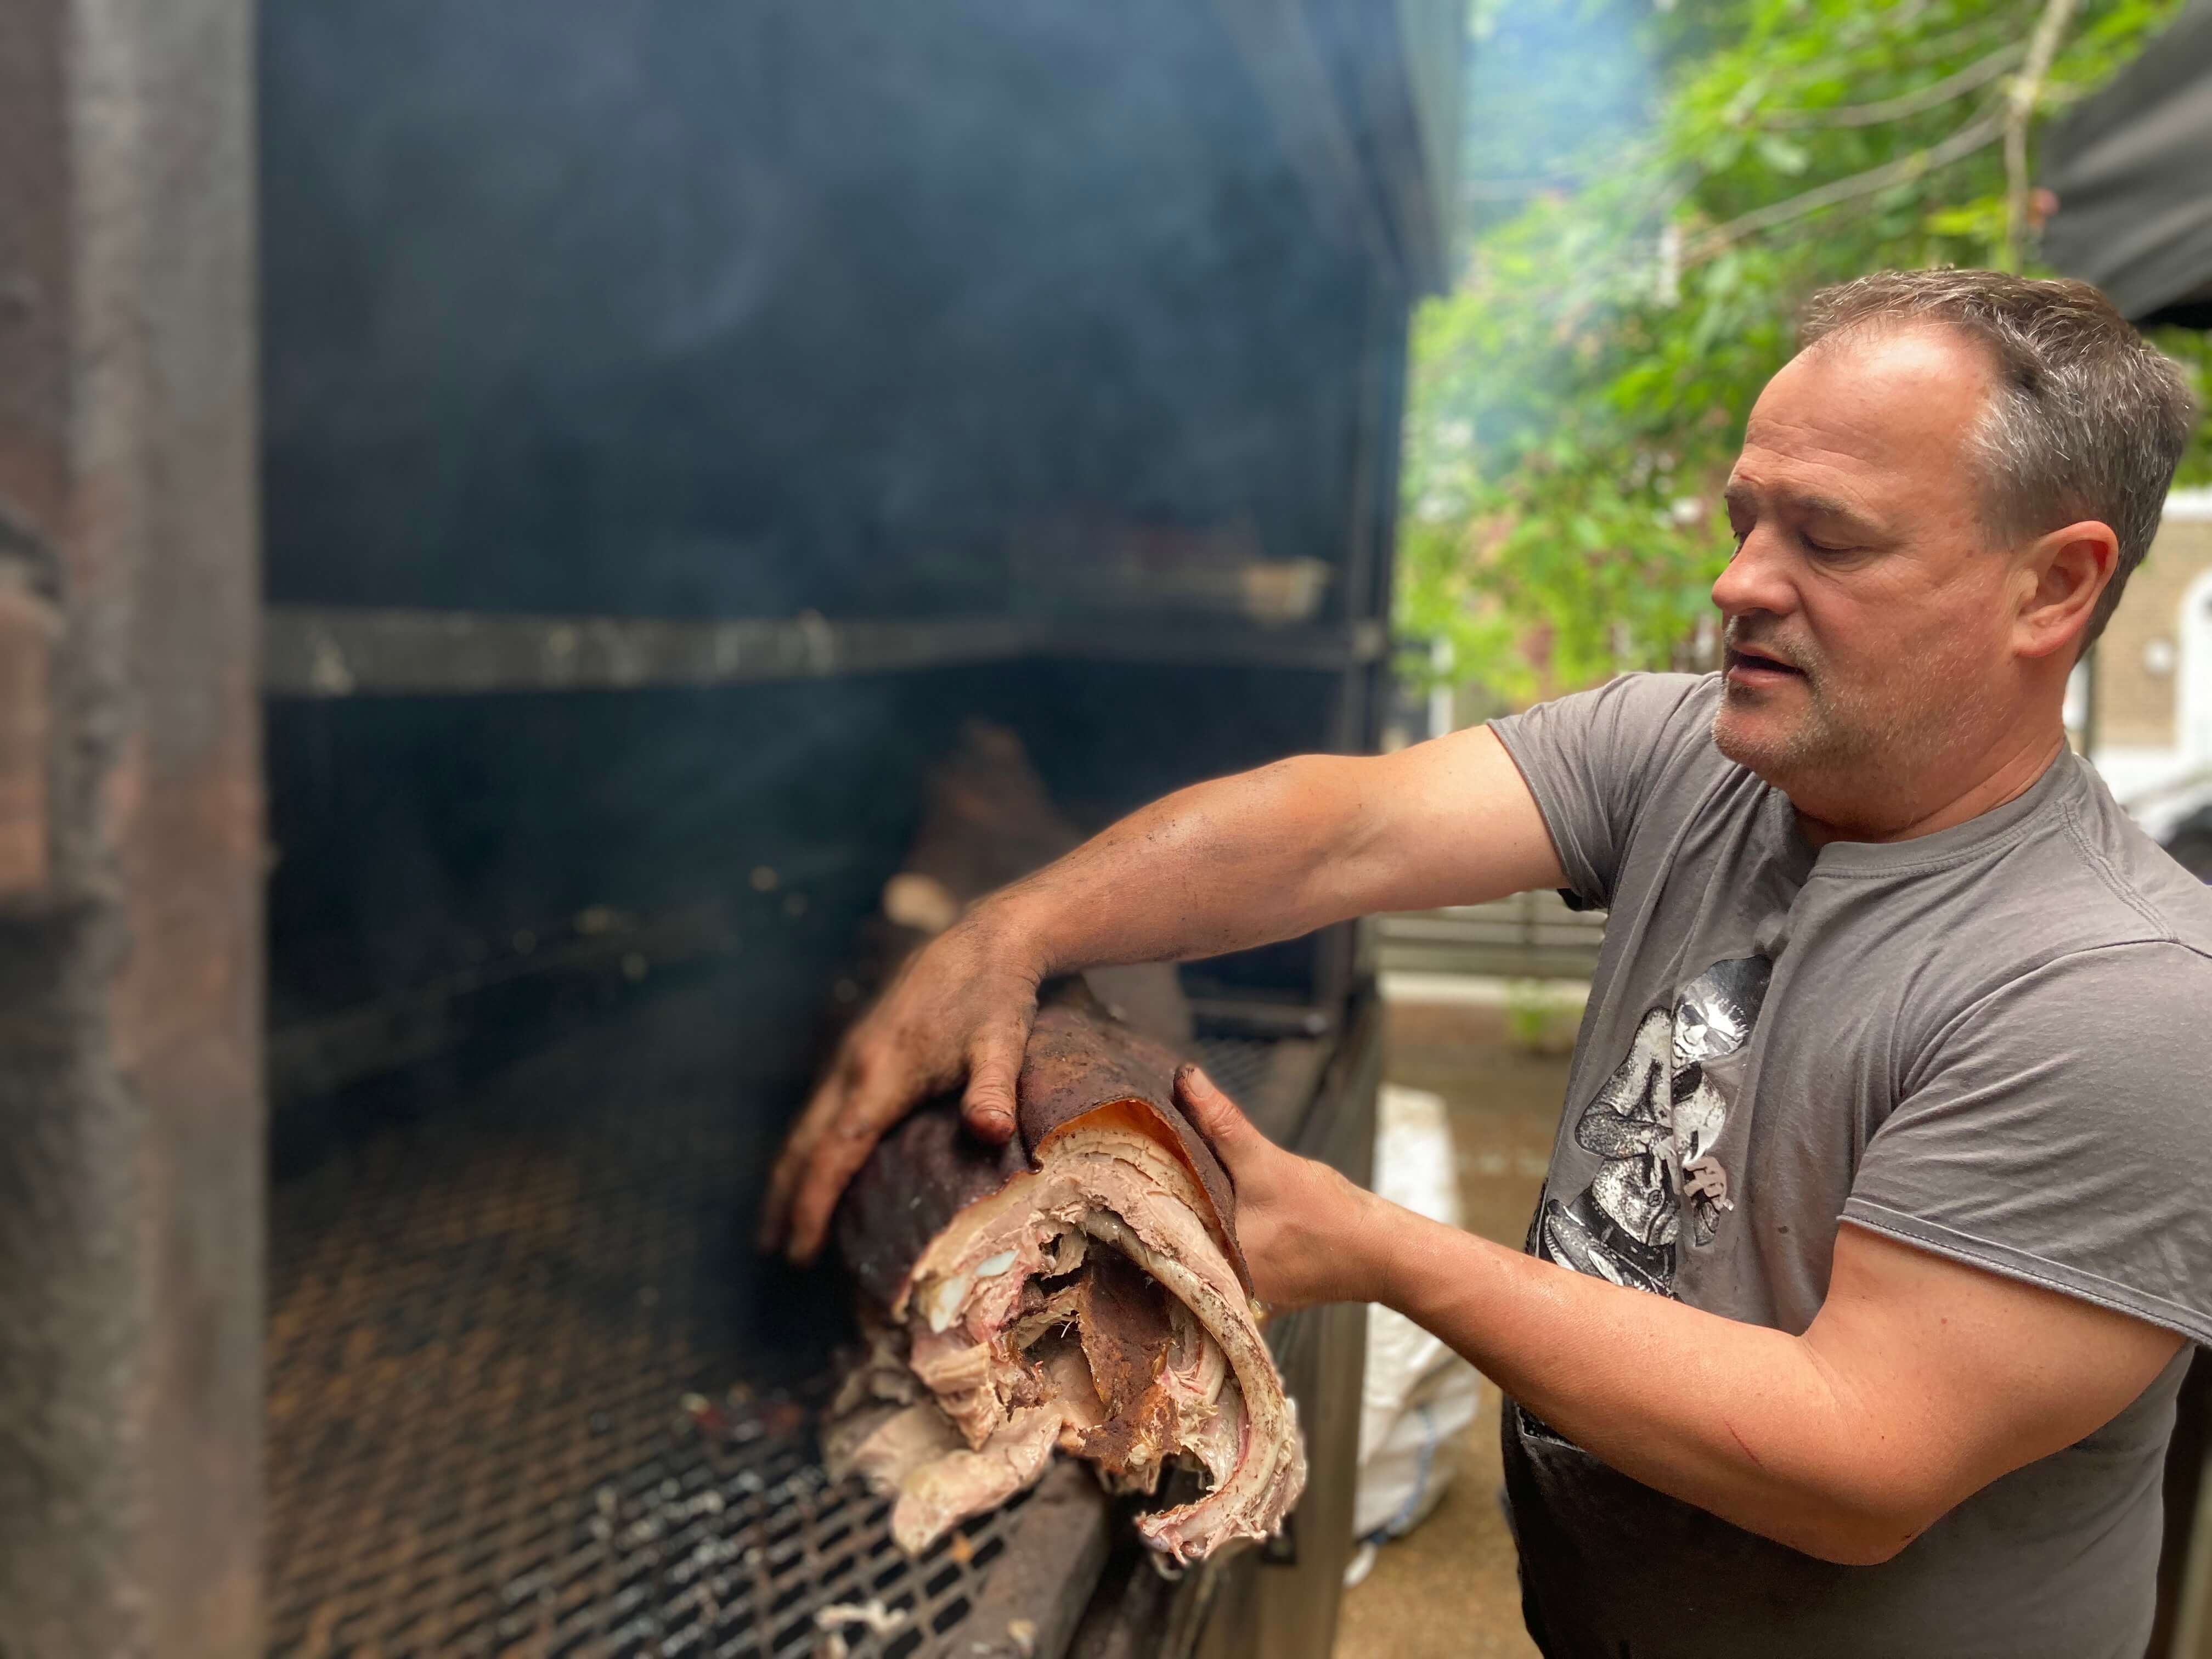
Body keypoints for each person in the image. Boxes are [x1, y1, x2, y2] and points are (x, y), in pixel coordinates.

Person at [759, 269, 2211, 1658]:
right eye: (1744, 519)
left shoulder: (2118, 997)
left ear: (2053, 589)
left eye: (1827, 539)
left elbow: (1855, 1459)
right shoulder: (1692, 751)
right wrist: (1015, 927)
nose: (1739, 584)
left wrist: (1379, 1250)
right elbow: (1343, 831)